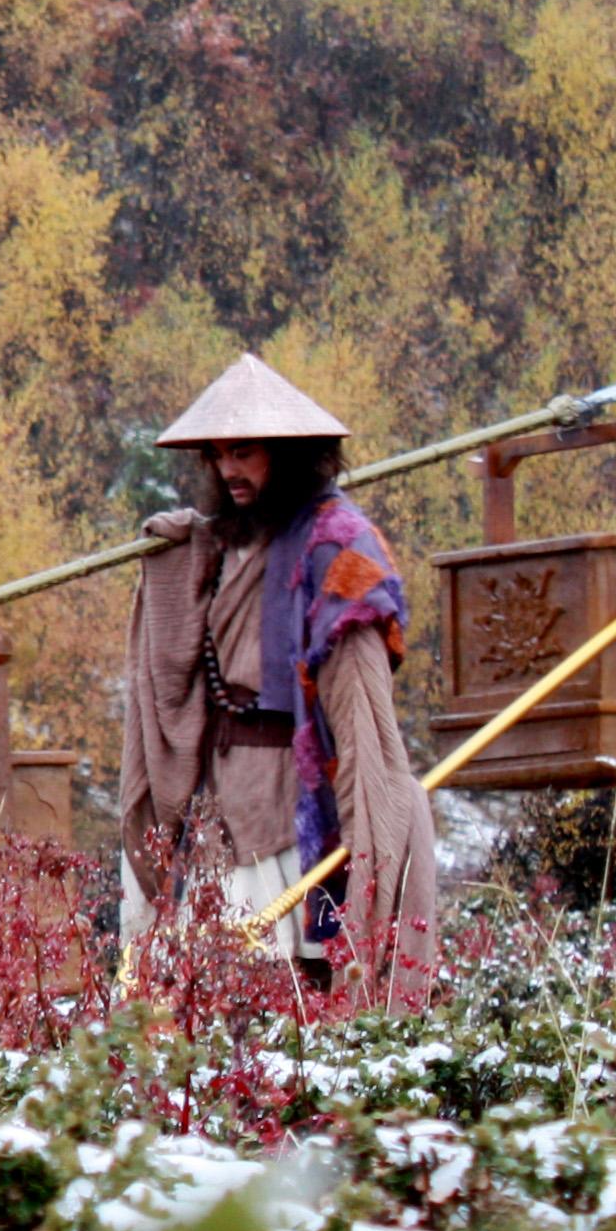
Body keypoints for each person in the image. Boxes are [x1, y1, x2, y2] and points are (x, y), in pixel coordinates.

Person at [118, 355, 441, 1000]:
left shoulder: (337, 546)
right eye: (216, 455)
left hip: (300, 800)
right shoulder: (221, 542)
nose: (227, 469)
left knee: (301, 979)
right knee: (207, 991)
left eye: (243, 451)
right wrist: (178, 553)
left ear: (290, 454)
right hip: (222, 797)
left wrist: (364, 829)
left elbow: (358, 707)